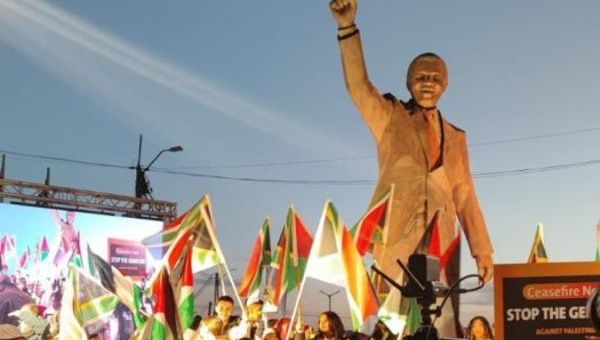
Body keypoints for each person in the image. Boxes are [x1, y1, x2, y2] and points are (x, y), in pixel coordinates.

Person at [329, 0, 494, 336]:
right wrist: (347, 28)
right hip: (397, 246)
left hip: (441, 245)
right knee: (394, 325)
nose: (427, 83)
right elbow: (359, 88)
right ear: (408, 82)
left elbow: (465, 196)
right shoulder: (390, 118)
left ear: (445, 84)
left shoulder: (458, 138)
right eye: (420, 77)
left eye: (435, 77)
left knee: (440, 326)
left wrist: (482, 250)